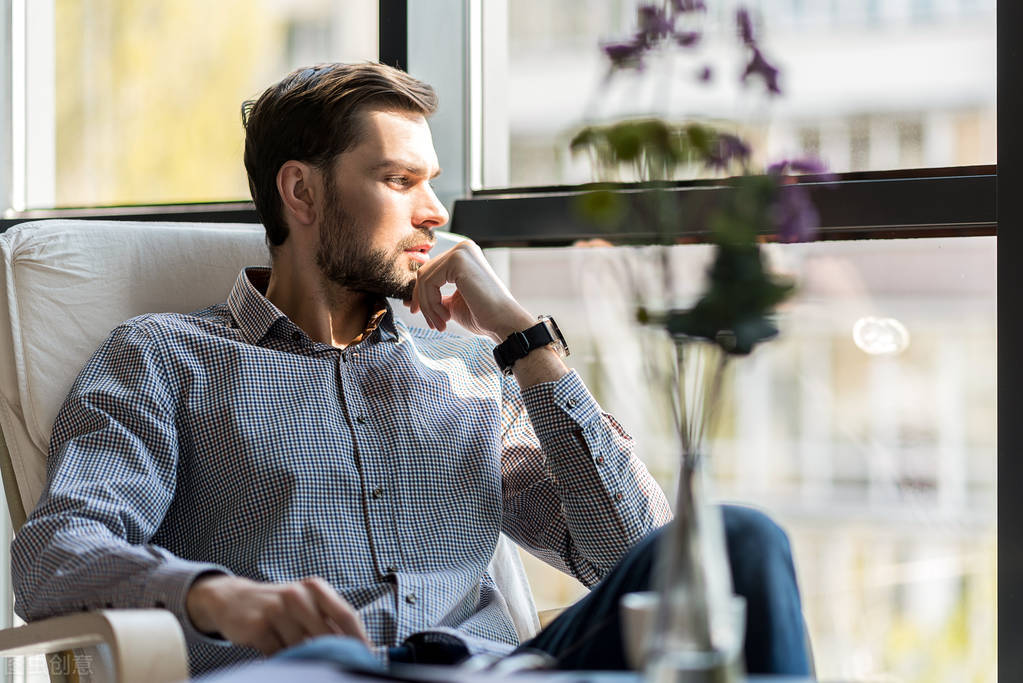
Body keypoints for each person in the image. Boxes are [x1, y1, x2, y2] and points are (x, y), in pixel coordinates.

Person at [10, 62, 809, 678]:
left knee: (737, 540)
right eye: (399, 181)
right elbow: (55, 553)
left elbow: (630, 554)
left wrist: (525, 340)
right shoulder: (163, 358)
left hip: (493, 669)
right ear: (301, 191)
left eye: (432, 182)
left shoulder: (468, 369)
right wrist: (220, 595)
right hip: (309, 672)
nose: (435, 211)